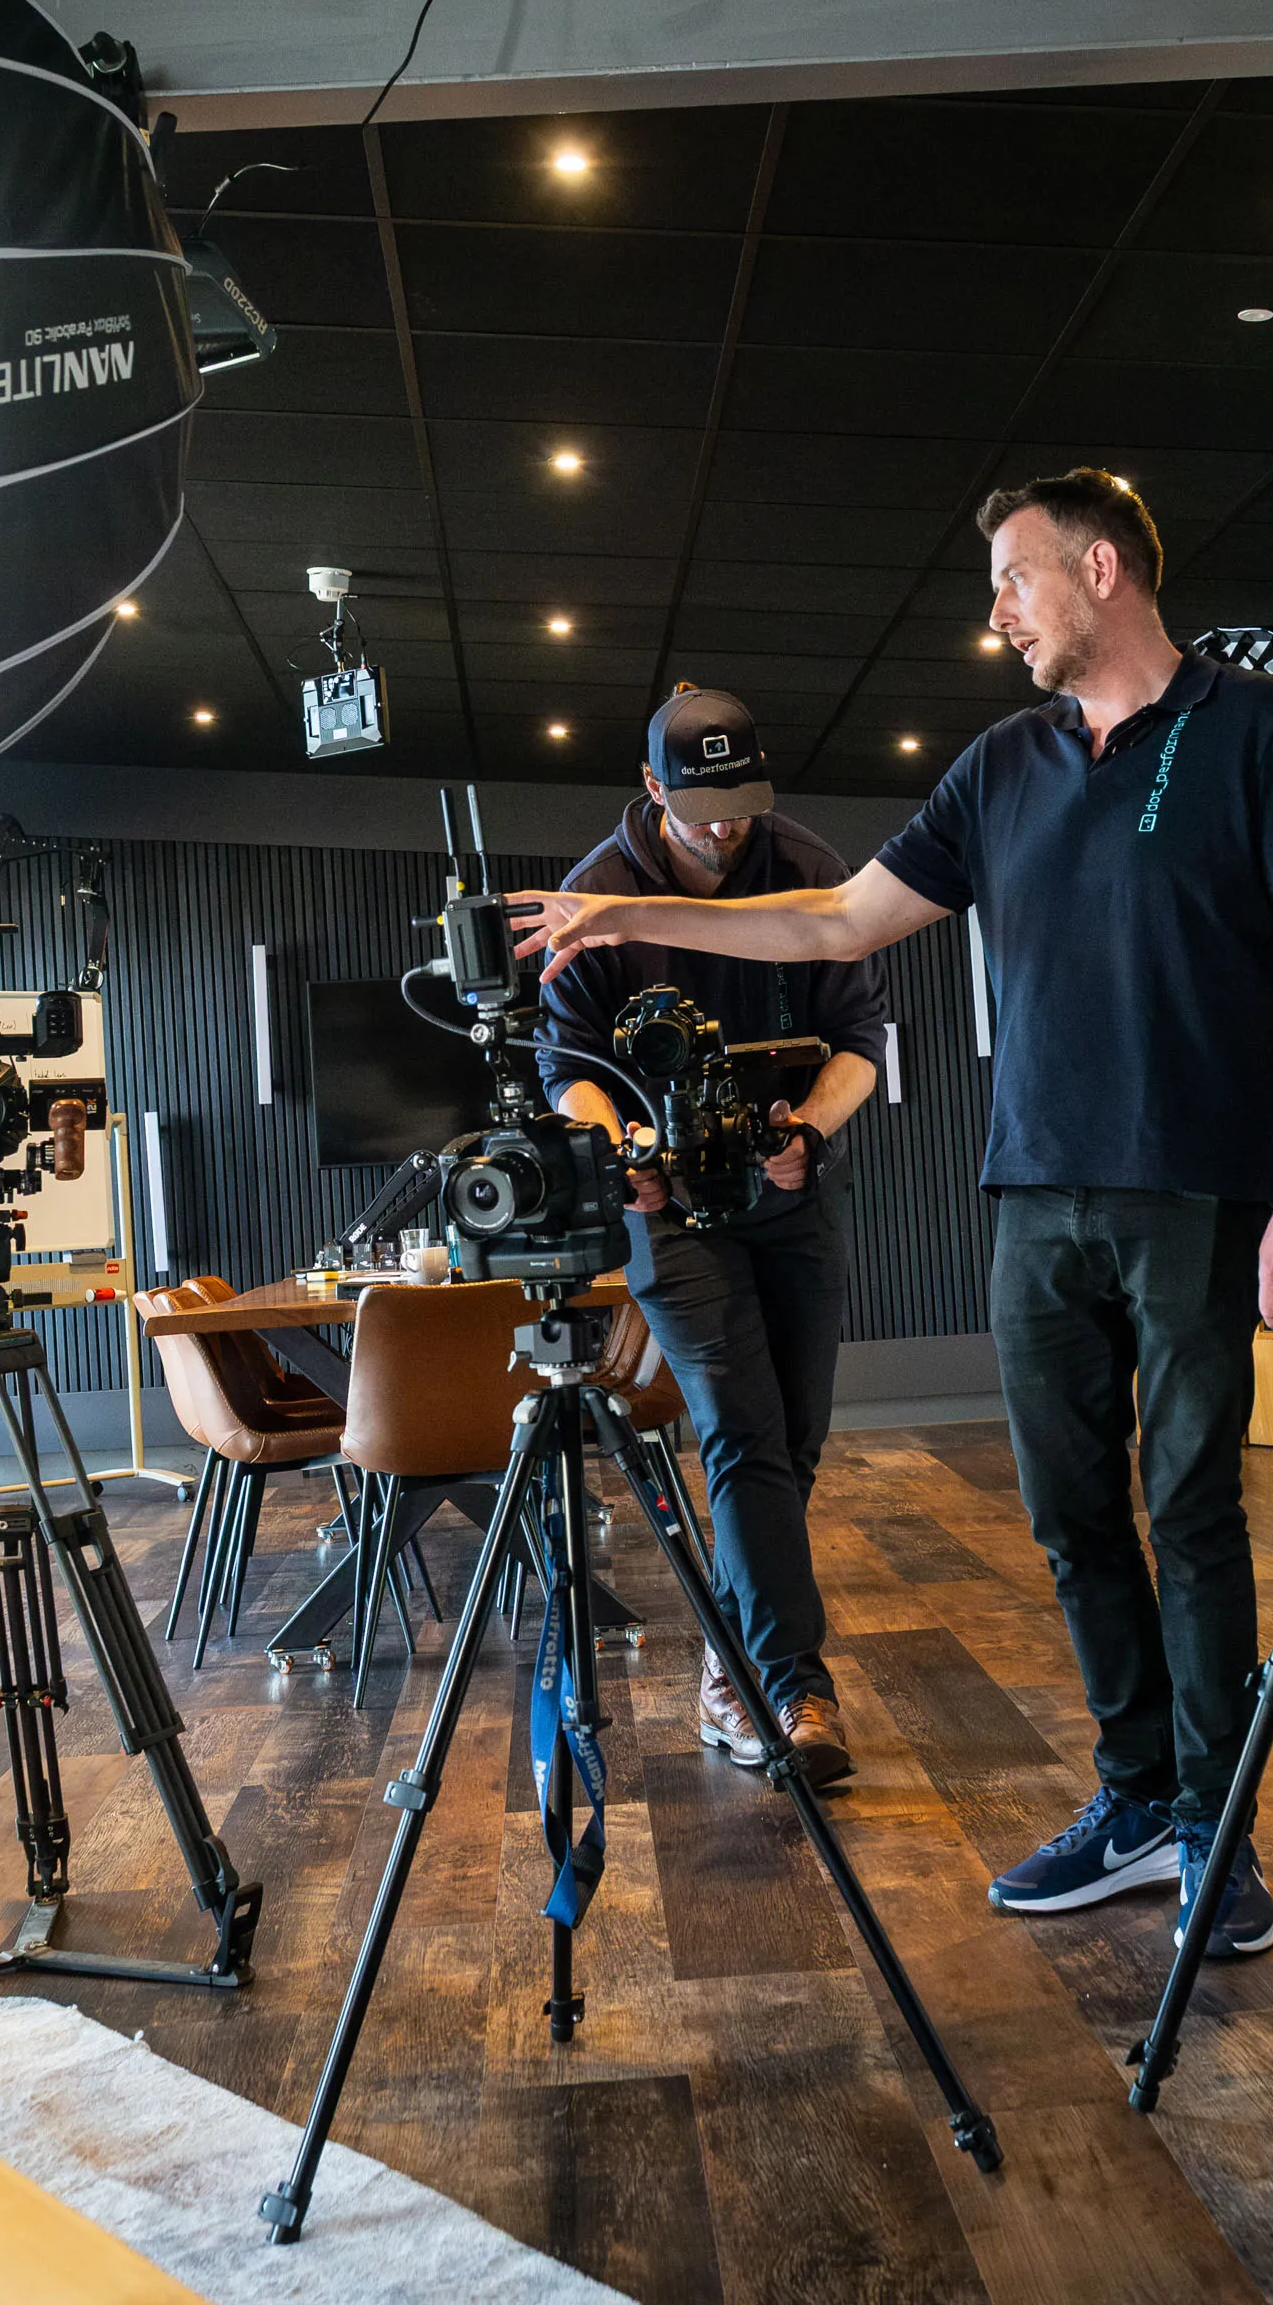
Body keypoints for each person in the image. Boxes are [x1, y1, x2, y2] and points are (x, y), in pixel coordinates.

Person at [511, 469, 1273, 1961]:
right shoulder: (1004, 762)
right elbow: (840, 920)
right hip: (1034, 1189)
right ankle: (1136, 1799)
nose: (999, 613)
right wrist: (626, 912)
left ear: (1101, 569)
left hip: (1196, 1182)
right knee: (1070, 1516)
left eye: (1015, 580)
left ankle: (1215, 1830)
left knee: (1190, 1510)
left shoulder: (1254, 729)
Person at [537, 686, 890, 1789]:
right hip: (669, 1208)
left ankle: (729, 1666)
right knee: (740, 1425)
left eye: (742, 801)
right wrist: (616, 1153)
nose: (726, 826)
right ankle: (790, 1689)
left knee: (795, 1438)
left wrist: (810, 1129)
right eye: (701, 807)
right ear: (653, 787)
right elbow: (564, 1068)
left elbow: (861, 1039)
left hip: (791, 1187)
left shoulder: (809, 867)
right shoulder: (600, 893)